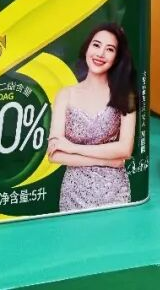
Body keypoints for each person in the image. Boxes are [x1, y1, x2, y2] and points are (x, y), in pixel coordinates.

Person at [49, 23, 137, 211]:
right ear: (87, 48)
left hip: (115, 190)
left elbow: (125, 149)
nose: (100, 54)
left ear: (117, 57)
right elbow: (54, 154)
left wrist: (73, 148)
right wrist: (109, 161)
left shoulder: (126, 95)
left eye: (110, 49)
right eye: (96, 45)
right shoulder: (65, 94)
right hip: (74, 192)